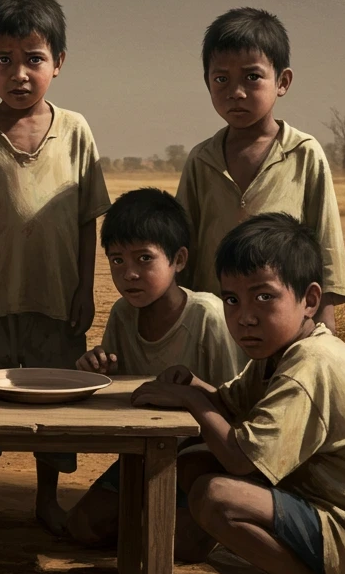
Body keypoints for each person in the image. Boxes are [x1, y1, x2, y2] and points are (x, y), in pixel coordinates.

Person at [132, 213, 345, 574]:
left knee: (216, 495)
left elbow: (242, 458)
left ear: (310, 299)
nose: (244, 318)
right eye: (231, 300)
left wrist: (192, 401)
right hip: (330, 519)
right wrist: (193, 384)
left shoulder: (310, 366)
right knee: (194, 464)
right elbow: (228, 404)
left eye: (264, 297)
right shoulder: (283, 351)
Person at [0, 0, 110, 537]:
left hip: (57, 300)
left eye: (33, 59)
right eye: (3, 60)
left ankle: (46, 501)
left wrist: (85, 290)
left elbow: (87, 219)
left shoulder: (76, 131)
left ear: (57, 62)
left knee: (54, 407)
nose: (19, 73)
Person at [65, 188, 245, 547]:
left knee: (173, 542)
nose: (129, 274)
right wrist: (97, 370)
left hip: (203, 457)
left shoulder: (206, 316)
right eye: (117, 260)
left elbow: (236, 406)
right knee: (81, 528)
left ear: (178, 260)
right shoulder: (122, 314)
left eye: (143, 258)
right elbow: (120, 390)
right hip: (145, 454)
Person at [176, 7, 345, 331]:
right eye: (221, 79)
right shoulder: (202, 160)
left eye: (252, 77)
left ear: (282, 81)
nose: (236, 92)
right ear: (207, 82)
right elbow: (183, 246)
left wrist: (325, 325)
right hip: (214, 319)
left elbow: (325, 239)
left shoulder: (304, 154)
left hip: (283, 320)